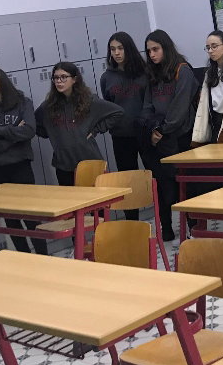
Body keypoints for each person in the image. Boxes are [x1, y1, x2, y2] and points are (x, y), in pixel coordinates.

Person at [0, 66, 47, 254]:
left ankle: (44, 258)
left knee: (31, 215)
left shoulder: (22, 102)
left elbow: (29, 131)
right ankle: (23, 258)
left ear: (1, 77)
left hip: (19, 167)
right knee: (11, 219)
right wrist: (13, 137)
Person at [139, 30, 199, 240]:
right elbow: (147, 106)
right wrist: (152, 129)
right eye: (149, 51)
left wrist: (162, 129)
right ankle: (167, 229)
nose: (152, 55)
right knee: (163, 185)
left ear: (166, 47)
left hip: (180, 137)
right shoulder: (152, 74)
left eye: (156, 49)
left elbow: (179, 109)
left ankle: (193, 228)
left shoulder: (183, 70)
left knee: (186, 185)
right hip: (158, 137)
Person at [34, 62, 122, 186]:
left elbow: (117, 112)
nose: (59, 81)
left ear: (74, 79)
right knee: (70, 197)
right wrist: (53, 134)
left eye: (64, 77)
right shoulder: (47, 106)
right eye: (56, 78)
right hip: (64, 165)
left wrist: (96, 129)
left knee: (95, 197)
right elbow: (35, 125)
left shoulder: (89, 101)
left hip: (89, 162)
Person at [100, 31, 148, 174]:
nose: (116, 53)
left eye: (120, 48)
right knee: (127, 176)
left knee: (154, 172)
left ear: (129, 49)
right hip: (121, 134)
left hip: (144, 132)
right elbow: (109, 107)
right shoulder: (106, 77)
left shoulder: (144, 73)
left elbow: (150, 102)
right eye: (112, 49)